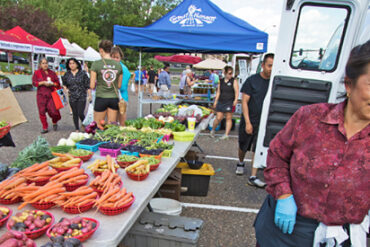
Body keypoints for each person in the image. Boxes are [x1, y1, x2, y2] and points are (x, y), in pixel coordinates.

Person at [254, 41, 369, 247]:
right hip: (287, 229)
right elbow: (277, 155)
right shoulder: (310, 117)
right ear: (349, 84)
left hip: (339, 235)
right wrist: (284, 194)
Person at [236, 53, 274, 188]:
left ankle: (253, 176)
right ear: (263, 65)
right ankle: (240, 162)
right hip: (249, 119)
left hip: (263, 122)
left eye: (273, 66)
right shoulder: (252, 80)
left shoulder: (274, 82)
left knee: (258, 147)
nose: (271, 68)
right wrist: (247, 122)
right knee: (243, 145)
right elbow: (244, 102)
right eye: (269, 65)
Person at [90, 40, 123, 129]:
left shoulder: (96, 64)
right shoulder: (118, 65)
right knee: (111, 127)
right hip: (113, 98)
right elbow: (119, 86)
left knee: (97, 126)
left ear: (101, 50)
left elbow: (92, 85)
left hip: (101, 97)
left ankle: (98, 141)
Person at [32, 58, 62, 134]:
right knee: (41, 111)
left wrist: (52, 84)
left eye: (46, 63)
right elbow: (34, 83)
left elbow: (58, 83)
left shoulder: (52, 73)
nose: (45, 65)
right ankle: (45, 127)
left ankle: (54, 121)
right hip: (41, 95)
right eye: (43, 63)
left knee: (54, 111)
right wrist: (42, 83)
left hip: (51, 95)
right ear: (40, 65)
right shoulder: (37, 73)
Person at [62, 58, 91, 132]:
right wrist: (66, 89)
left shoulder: (83, 74)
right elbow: (64, 84)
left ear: (77, 64)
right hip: (72, 95)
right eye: (70, 63)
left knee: (80, 112)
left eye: (73, 63)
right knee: (74, 113)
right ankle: (77, 128)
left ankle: (85, 124)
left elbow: (88, 85)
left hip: (81, 95)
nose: (71, 65)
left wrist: (89, 95)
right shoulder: (67, 74)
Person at [211, 66, 239, 140]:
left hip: (229, 101)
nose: (230, 75)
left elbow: (236, 91)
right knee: (218, 117)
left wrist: (235, 100)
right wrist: (215, 101)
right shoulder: (221, 81)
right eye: (229, 73)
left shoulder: (234, 81)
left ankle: (226, 134)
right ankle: (213, 130)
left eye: (231, 73)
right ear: (225, 73)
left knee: (228, 118)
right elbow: (218, 92)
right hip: (221, 101)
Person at [111, 46, 130, 126]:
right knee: (112, 123)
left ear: (121, 58)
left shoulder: (124, 69)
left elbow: (122, 86)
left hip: (121, 98)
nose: (115, 59)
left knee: (122, 123)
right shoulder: (109, 68)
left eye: (117, 57)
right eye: (113, 57)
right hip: (110, 98)